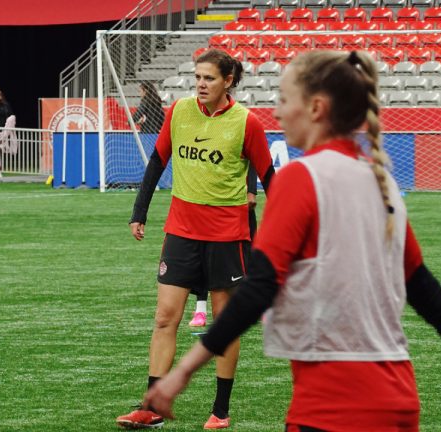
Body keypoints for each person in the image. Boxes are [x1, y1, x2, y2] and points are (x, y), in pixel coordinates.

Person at [144, 50, 441, 432]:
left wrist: (185, 371)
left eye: (284, 100)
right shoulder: (382, 182)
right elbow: (419, 283)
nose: (277, 113)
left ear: (316, 108)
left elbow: (259, 288)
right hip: (398, 400)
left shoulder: (299, 180)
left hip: (329, 405)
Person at [117, 48, 276, 430]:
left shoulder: (247, 123)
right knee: (164, 318)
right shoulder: (179, 112)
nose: (200, 84)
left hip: (228, 235)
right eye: (198, 77)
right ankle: (151, 405)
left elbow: (270, 178)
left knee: (224, 322)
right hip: (181, 232)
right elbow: (157, 161)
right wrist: (140, 212)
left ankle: (220, 410)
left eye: (209, 78)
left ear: (228, 81)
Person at [188, 165, 259, 328]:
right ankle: (200, 309)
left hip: (238, 203)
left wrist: (251, 191)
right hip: (208, 202)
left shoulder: (243, 139)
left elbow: (254, 161)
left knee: (249, 251)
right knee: (204, 254)